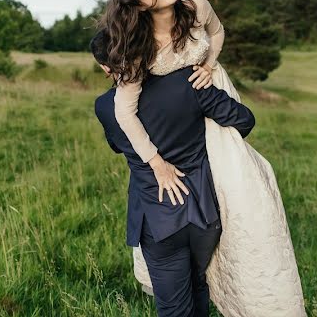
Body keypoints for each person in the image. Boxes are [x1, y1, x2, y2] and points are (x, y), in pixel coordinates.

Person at [101, 0, 306, 317]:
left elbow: (218, 31)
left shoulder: (195, 5)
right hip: (189, 106)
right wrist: (158, 164)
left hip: (207, 85)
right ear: (137, 3)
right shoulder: (140, 47)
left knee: (238, 181)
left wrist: (208, 65)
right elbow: (124, 111)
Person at [91, 29, 256, 317]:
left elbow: (117, 146)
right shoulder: (188, 80)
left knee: (174, 309)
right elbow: (244, 119)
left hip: (158, 221)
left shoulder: (106, 106)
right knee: (198, 285)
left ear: (106, 68)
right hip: (206, 211)